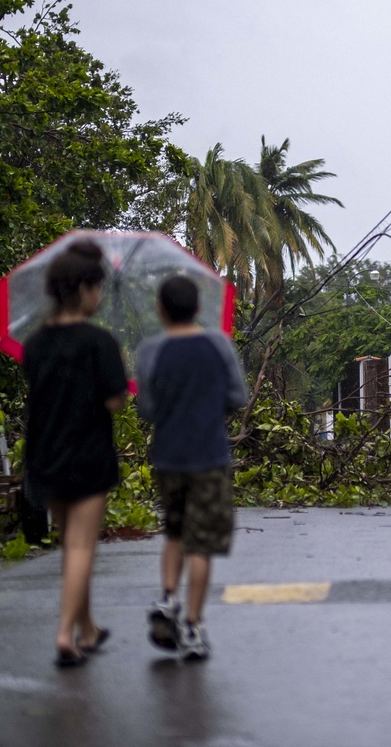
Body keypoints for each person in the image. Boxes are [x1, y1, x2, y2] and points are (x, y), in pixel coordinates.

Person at [22, 239, 128, 667]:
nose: (99, 297)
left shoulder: (35, 343)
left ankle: (87, 627)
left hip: (45, 455)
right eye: (97, 288)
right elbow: (115, 401)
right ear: (84, 288)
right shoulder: (99, 342)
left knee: (71, 547)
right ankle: (66, 635)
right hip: (88, 455)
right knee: (82, 546)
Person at [135, 275, 247, 660]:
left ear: (160, 310)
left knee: (175, 531)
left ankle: (168, 598)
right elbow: (238, 397)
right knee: (202, 546)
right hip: (209, 456)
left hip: (168, 455)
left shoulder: (150, 351)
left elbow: (146, 409)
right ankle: (195, 626)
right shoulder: (219, 344)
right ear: (198, 307)